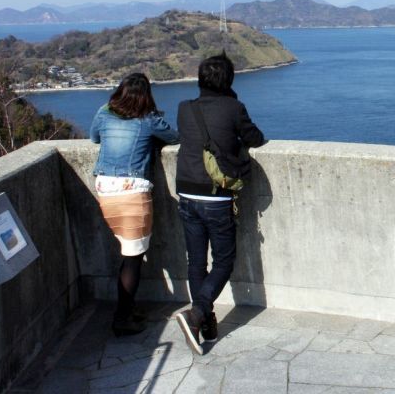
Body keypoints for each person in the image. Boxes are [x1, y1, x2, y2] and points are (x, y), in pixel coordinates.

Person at [174, 52, 265, 355]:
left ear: (200, 79)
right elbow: (254, 138)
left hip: (186, 192)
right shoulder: (234, 107)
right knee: (224, 260)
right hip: (215, 195)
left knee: (196, 261)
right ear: (229, 80)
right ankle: (197, 313)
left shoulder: (184, 109)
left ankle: (206, 325)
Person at [90, 72, 179, 336]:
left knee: (129, 254)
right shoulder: (148, 119)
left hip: (105, 189)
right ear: (146, 95)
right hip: (131, 192)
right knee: (132, 259)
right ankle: (122, 317)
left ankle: (127, 309)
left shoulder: (104, 112)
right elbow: (174, 137)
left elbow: (95, 138)